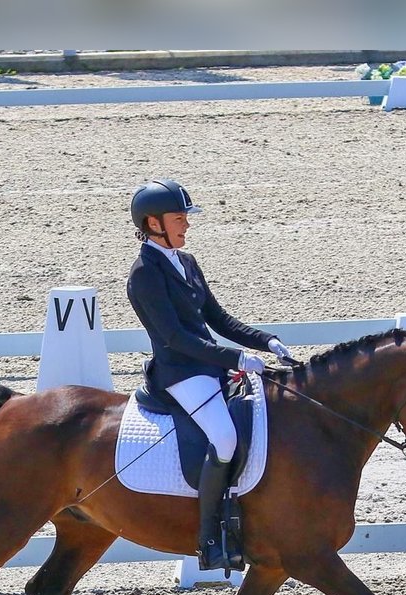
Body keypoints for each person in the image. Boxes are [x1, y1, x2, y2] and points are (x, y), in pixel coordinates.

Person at [126, 179, 294, 571]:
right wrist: (234, 359)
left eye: (186, 217)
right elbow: (175, 338)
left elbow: (216, 318)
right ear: (153, 223)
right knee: (223, 437)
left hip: (209, 366)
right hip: (181, 372)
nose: (186, 224)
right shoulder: (144, 275)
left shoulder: (186, 262)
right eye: (178, 218)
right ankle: (209, 538)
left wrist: (265, 341)